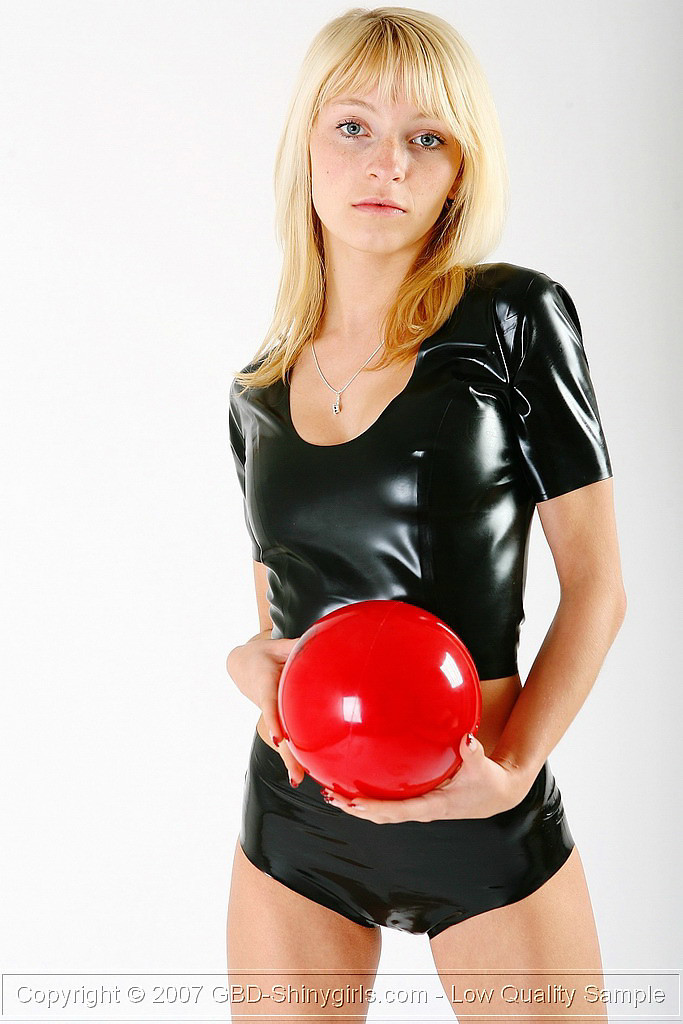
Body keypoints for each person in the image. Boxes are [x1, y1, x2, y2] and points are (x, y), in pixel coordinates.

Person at [225, 7, 626, 1020]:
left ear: (458, 171)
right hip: (299, 819)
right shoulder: (255, 393)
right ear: (306, 145)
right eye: (352, 127)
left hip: (480, 805)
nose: (387, 165)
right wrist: (249, 664)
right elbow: (281, 619)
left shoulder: (512, 318)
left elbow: (597, 589)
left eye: (427, 138)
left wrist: (514, 769)